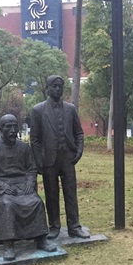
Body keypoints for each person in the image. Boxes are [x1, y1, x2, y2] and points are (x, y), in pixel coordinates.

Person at [0, 114, 56, 261]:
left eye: (15, 126)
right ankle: (8, 244)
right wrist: (3, 187)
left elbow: (31, 168)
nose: (12, 130)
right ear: (1, 128)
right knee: (7, 205)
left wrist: (29, 183)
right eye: (8, 127)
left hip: (23, 184)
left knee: (36, 202)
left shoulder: (24, 147)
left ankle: (41, 239)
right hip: (2, 187)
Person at [30, 75, 90, 239]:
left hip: (68, 158)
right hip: (49, 159)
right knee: (51, 194)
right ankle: (54, 226)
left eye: (60, 86)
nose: (58, 89)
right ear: (47, 88)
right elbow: (34, 139)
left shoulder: (70, 109)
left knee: (71, 193)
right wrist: (38, 161)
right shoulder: (38, 110)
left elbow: (79, 133)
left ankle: (74, 226)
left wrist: (79, 151)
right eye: (54, 86)